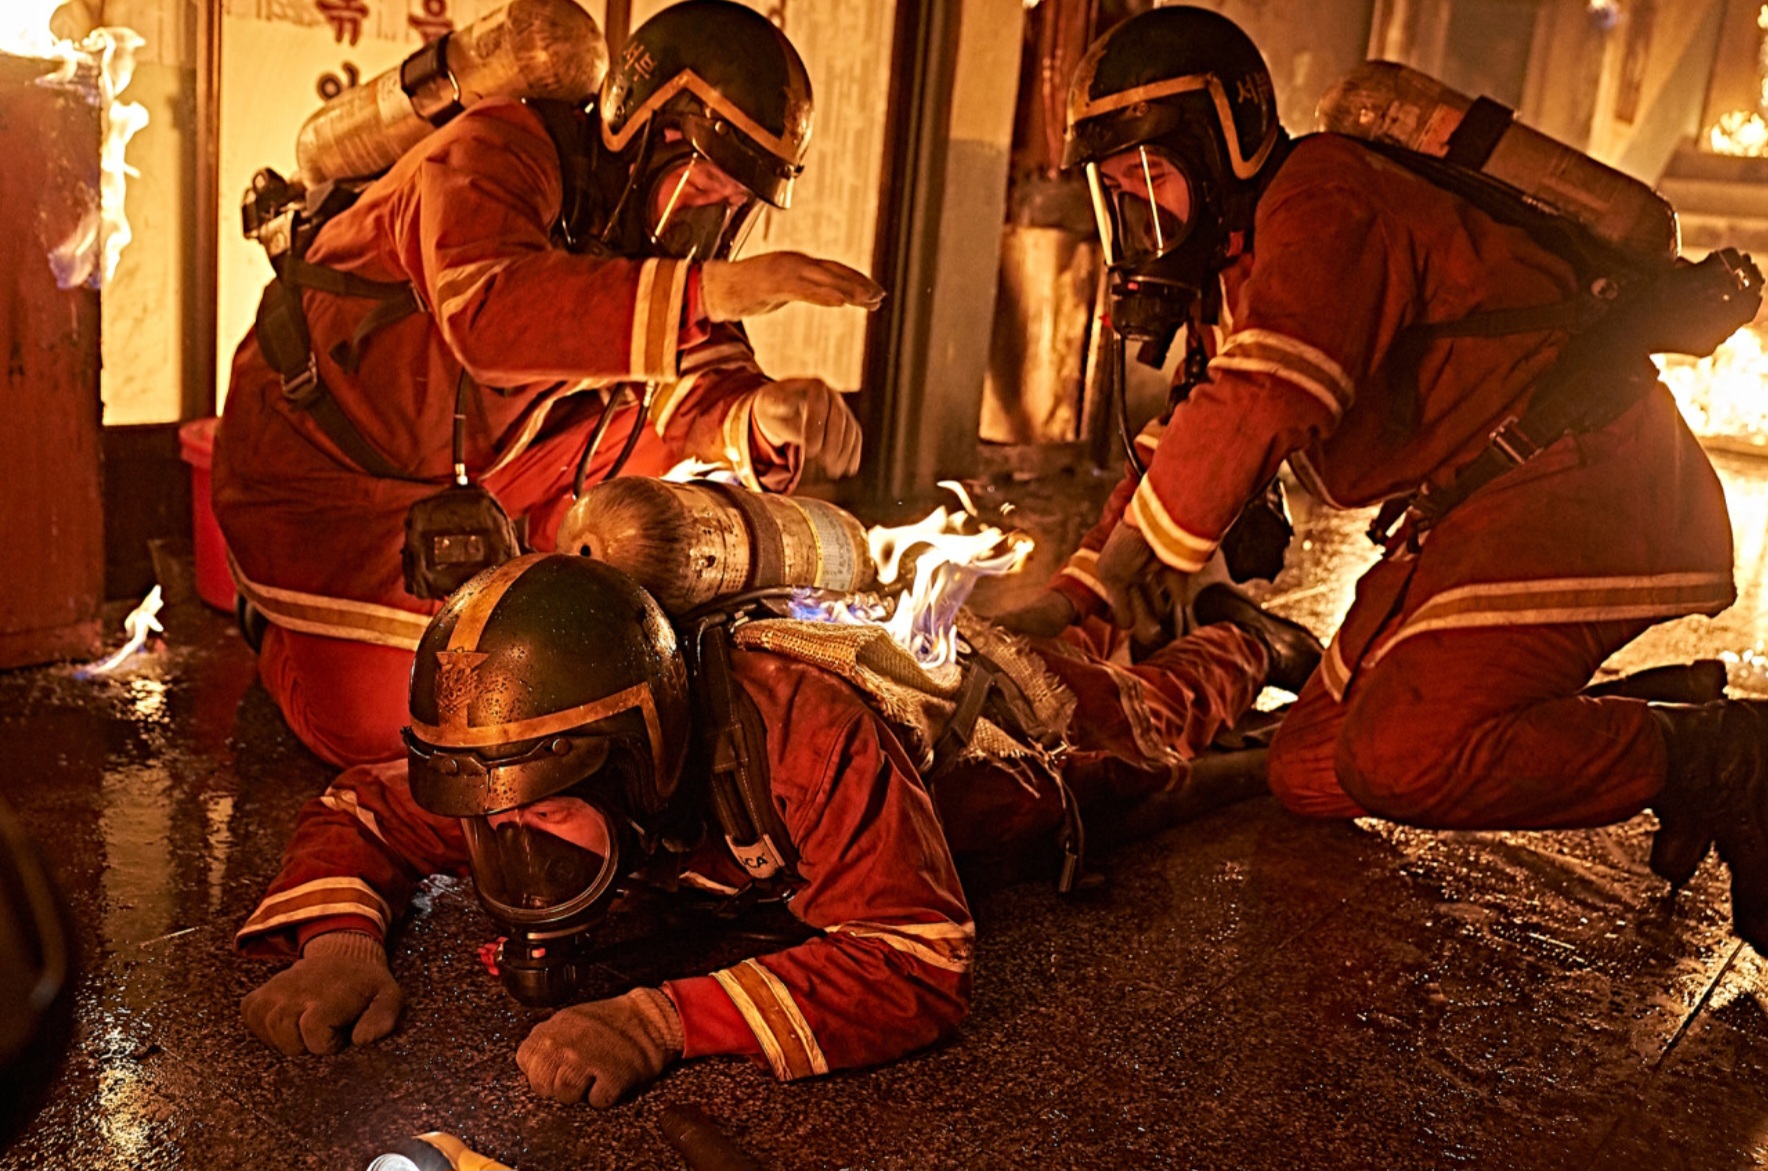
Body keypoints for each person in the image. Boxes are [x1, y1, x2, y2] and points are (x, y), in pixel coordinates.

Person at [1001, 6, 1768, 952]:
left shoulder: (1323, 197)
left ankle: (1717, 755)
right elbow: (1193, 423)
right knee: (1310, 771)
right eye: (1121, 192)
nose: (1143, 217)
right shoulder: (1241, 253)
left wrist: (1124, 571)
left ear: (1222, 141)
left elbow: (1266, 394)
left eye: (1154, 179)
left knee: (1402, 758)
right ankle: (1647, 710)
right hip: (1471, 509)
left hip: (1579, 485)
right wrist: (1074, 595)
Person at [234, 551, 1321, 1105]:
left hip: (1007, 752)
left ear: (638, 760)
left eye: (547, 807)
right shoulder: (522, 761)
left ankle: (1250, 642)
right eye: (490, 813)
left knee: (1151, 724)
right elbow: (364, 806)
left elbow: (916, 958)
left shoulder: (803, 736)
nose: (515, 842)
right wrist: (337, 944)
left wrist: (660, 1020)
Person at [214, 0, 880, 770]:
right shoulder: (492, 148)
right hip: (321, 471)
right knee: (405, 726)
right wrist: (716, 291)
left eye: (739, 203)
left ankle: (493, 584)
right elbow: (490, 318)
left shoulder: (649, 224)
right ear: (648, 134)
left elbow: (695, 371)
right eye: (708, 182)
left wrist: (769, 412)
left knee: (550, 660)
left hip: (469, 471)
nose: (717, 213)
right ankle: (279, 630)